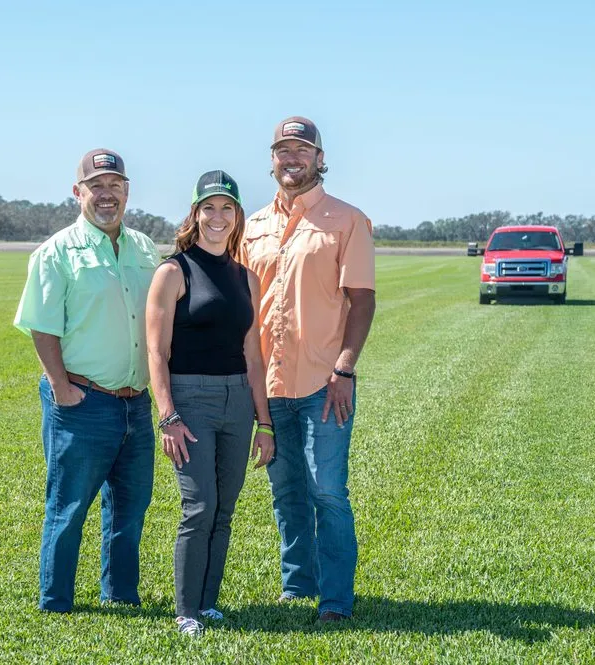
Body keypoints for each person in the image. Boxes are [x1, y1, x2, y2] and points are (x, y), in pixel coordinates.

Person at [240, 117, 376, 623]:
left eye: (302, 149)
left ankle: (336, 600)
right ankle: (298, 582)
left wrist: (345, 368)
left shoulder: (347, 220)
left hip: (325, 384)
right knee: (286, 488)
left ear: (319, 158)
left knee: (328, 492)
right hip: (269, 386)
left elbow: (361, 301)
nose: (291, 158)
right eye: (282, 150)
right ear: (272, 159)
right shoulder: (251, 226)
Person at [13, 148, 159, 613]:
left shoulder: (143, 248)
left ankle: (120, 593)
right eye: (96, 186)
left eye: (115, 185)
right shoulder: (56, 253)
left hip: (135, 401)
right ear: (78, 193)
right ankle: (56, 600)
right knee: (68, 507)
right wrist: (60, 387)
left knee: (130, 508)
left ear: (127, 191)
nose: (106, 194)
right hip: (82, 400)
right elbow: (42, 325)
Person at [146, 170, 275, 636]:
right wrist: (168, 415)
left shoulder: (247, 278)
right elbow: (157, 353)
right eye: (209, 208)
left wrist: (265, 423)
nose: (217, 217)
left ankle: (208, 602)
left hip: (237, 400)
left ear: (237, 215)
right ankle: (185, 612)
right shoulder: (173, 271)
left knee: (224, 507)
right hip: (190, 399)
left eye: (227, 208)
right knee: (198, 505)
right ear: (195, 214)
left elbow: (253, 357)